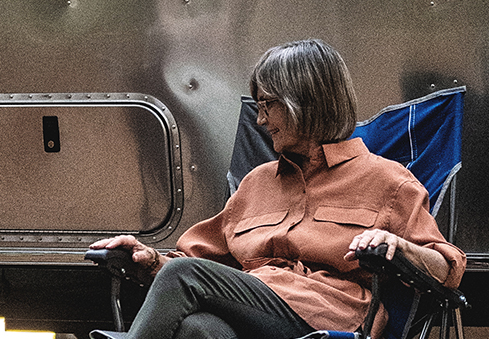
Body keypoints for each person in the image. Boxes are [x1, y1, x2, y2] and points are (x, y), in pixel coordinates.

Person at [88, 39, 464, 339]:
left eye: (268, 105)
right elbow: (197, 264)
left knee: (182, 277)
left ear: (307, 104)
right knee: (197, 330)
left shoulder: (388, 181)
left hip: (326, 318)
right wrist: (151, 260)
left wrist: (402, 247)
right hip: (257, 309)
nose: (260, 119)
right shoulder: (257, 183)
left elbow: (447, 270)